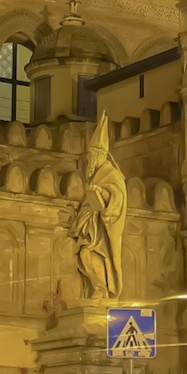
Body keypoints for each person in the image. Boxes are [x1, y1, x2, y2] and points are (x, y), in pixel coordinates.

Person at [71, 116, 129, 299]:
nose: (89, 161)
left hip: (104, 229)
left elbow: (117, 197)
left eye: (91, 157)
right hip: (92, 226)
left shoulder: (112, 174)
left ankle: (102, 290)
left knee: (88, 253)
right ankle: (98, 289)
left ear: (99, 156)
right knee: (84, 254)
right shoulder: (96, 174)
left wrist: (102, 194)